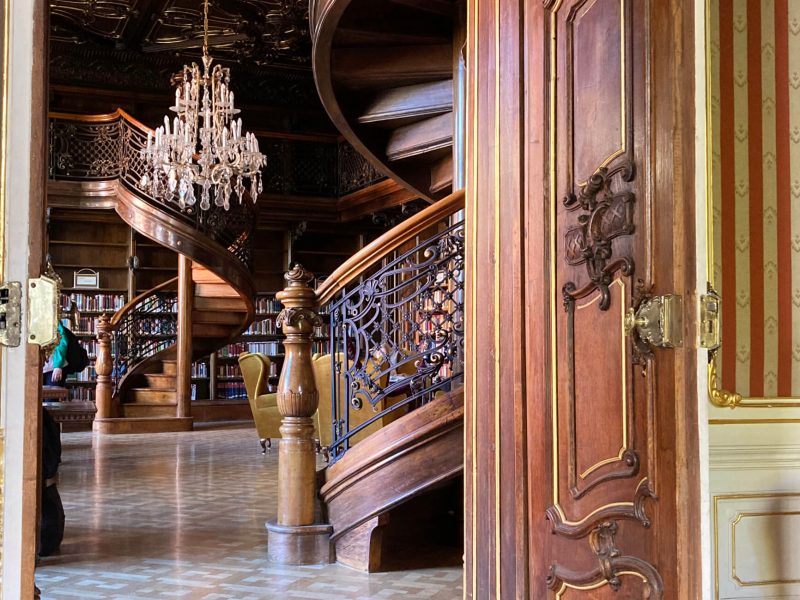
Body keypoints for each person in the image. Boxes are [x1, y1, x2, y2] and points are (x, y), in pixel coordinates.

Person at [42, 321, 69, 386]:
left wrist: (58, 365)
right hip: (34, 367)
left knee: (53, 394)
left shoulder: (54, 319)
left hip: (53, 367)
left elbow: (62, 343)